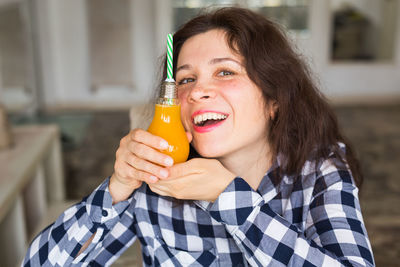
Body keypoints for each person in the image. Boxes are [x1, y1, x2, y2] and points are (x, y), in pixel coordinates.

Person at [23, 7, 375, 266]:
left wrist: (228, 198)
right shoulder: (155, 176)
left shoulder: (318, 168)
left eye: (224, 71)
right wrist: (116, 189)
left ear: (274, 100)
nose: (197, 92)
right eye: (186, 79)